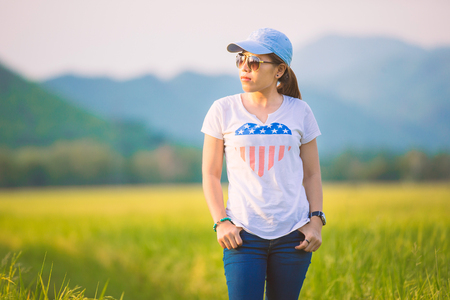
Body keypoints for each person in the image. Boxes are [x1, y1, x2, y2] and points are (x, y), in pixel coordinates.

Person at [201, 28, 326, 300]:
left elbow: (312, 173)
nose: (245, 67)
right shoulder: (222, 110)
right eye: (241, 60)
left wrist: (316, 221)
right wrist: (221, 222)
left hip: (294, 236)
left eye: (254, 62)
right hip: (243, 236)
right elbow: (210, 174)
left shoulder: (300, 111)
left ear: (279, 70)